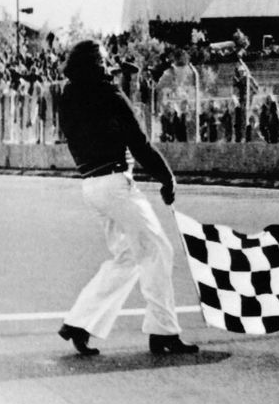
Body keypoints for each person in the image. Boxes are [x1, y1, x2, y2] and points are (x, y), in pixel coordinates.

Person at [56, 40, 197, 357]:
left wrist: (126, 87)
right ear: (96, 63)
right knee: (159, 249)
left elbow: (103, 126)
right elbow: (138, 140)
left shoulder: (69, 95)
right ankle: (163, 332)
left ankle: (80, 322)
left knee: (129, 257)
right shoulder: (108, 93)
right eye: (105, 60)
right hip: (114, 183)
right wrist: (165, 176)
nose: (109, 64)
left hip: (91, 184)